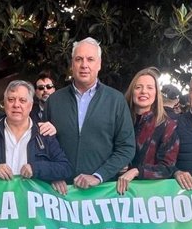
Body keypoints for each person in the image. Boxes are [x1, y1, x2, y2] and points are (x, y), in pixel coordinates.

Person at [46, 37, 135, 194]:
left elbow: (126, 147)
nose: (84, 65)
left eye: (90, 59)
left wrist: (98, 176)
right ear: (72, 64)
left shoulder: (116, 100)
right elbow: (41, 145)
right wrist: (52, 174)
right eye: (79, 59)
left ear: (99, 64)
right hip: (60, 196)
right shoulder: (54, 100)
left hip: (101, 194)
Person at [0, 80, 72, 182]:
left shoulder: (43, 133)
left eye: (22, 100)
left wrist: (36, 168)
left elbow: (65, 168)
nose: (16, 105)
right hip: (1, 197)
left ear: (31, 105)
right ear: (5, 103)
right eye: (11, 99)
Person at [116, 68, 179, 194]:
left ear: (156, 93)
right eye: (138, 87)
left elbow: (167, 168)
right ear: (132, 91)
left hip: (148, 196)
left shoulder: (167, 125)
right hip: (114, 192)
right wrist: (116, 165)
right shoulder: (117, 120)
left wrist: (136, 171)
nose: (143, 91)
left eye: (150, 87)